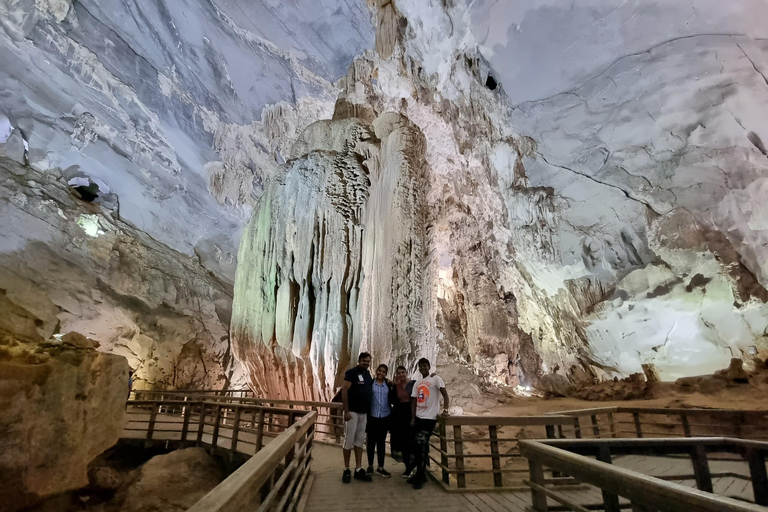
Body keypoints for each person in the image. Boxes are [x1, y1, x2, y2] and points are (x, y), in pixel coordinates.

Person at [409, 358, 449, 489]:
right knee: (418, 446)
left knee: (420, 445)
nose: (422, 368)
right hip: (419, 417)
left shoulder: (436, 379)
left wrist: (445, 410)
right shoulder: (418, 383)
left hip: (430, 418)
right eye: (420, 366)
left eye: (424, 366)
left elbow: (445, 395)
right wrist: (413, 417)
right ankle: (421, 474)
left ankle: (419, 476)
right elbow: (414, 401)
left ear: (429, 366)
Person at [341, 352, 374, 483]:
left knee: (360, 441)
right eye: (364, 361)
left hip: (363, 413)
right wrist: (346, 411)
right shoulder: (352, 373)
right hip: (353, 412)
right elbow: (344, 390)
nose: (366, 363)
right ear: (359, 360)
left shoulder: (367, 374)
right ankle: (346, 469)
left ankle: (358, 468)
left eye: (368, 361)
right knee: (349, 440)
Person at [389, 365, 416, 477]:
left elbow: (417, 399)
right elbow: (391, 400)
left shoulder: (413, 384)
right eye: (399, 373)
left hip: (411, 413)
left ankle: (415, 465)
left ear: (406, 372)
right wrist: (392, 386)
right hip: (399, 416)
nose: (401, 375)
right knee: (403, 442)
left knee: (412, 441)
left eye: (402, 372)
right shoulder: (395, 387)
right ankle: (407, 467)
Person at [366, 364, 392, 477]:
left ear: (386, 374)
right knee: (371, 442)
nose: (381, 373)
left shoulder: (388, 385)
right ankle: (370, 466)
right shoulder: (371, 384)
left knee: (381, 443)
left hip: (385, 417)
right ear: (376, 371)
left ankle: (380, 467)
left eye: (383, 371)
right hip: (372, 417)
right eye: (379, 370)